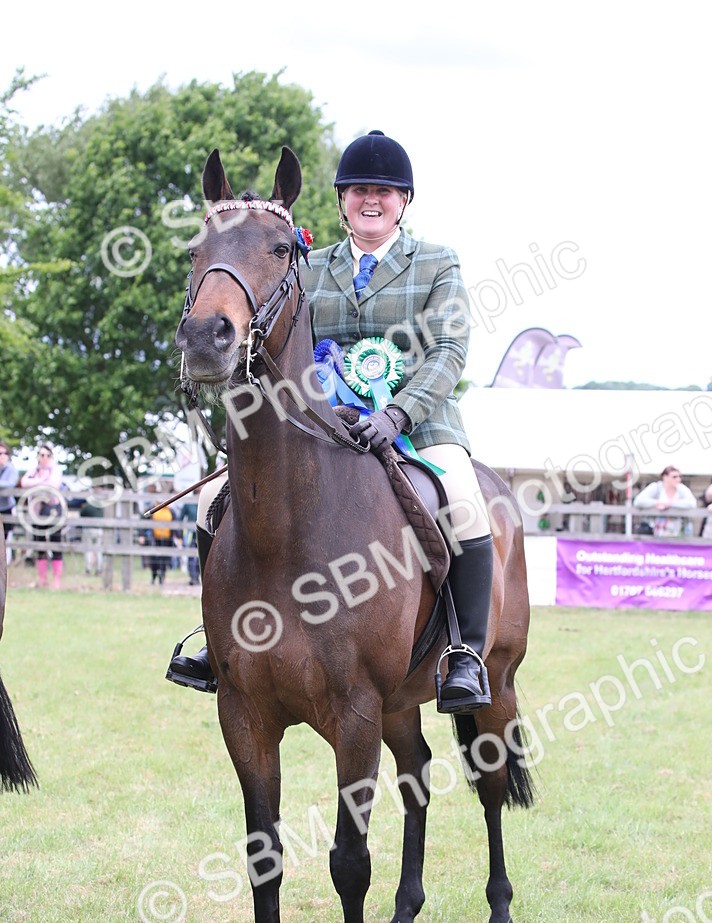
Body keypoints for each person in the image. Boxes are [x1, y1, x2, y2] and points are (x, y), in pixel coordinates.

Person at [167, 130, 493, 714]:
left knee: (464, 500)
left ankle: (464, 653)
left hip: (418, 423)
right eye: (359, 190)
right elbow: (273, 337)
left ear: (404, 201)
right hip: (321, 420)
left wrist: (397, 414)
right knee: (211, 500)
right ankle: (216, 641)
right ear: (341, 199)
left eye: (385, 192)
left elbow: (448, 351)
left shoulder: (438, 263)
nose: (372, 200)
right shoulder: (306, 265)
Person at [19, 444, 65, 588]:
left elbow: (53, 485)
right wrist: (40, 482)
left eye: (46, 455)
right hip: (37, 511)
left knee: (55, 542)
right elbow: (24, 482)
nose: (43, 458)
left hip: (53, 509)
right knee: (39, 542)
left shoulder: (55, 470)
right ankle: (42, 578)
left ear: (51, 457)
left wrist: (37, 483)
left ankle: (56, 580)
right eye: (41, 454)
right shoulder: (34, 471)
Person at [632, 466, 696, 536]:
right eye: (674, 477)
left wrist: (669, 504)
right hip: (655, 531)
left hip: (679, 532)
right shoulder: (656, 487)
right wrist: (657, 503)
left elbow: (692, 503)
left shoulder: (682, 488)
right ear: (665, 477)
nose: (678, 479)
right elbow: (638, 501)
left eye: (679, 477)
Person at [0, 443, 18, 563]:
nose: (2, 456)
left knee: (6, 539)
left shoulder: (11, 469)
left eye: (4, 453)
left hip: (7, 508)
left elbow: (10, 483)